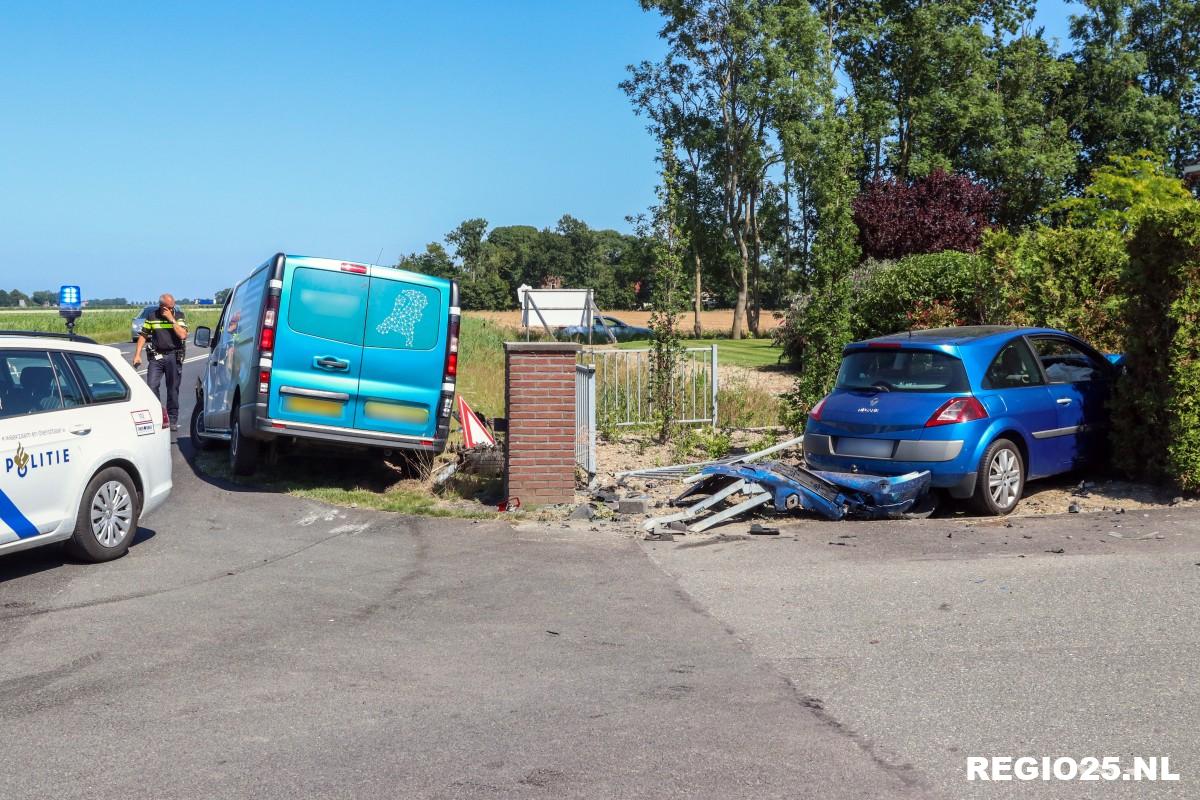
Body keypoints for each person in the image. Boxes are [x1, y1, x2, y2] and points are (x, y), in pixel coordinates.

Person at [133, 293, 188, 430]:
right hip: (157, 356)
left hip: (173, 355)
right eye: (169, 307)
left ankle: (172, 418)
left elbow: (183, 335)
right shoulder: (152, 316)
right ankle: (159, 414)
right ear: (162, 307)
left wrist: (171, 319)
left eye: (172, 306)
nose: (171, 309)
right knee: (151, 385)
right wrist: (137, 354)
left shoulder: (178, 315)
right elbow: (143, 335)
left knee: (172, 389)